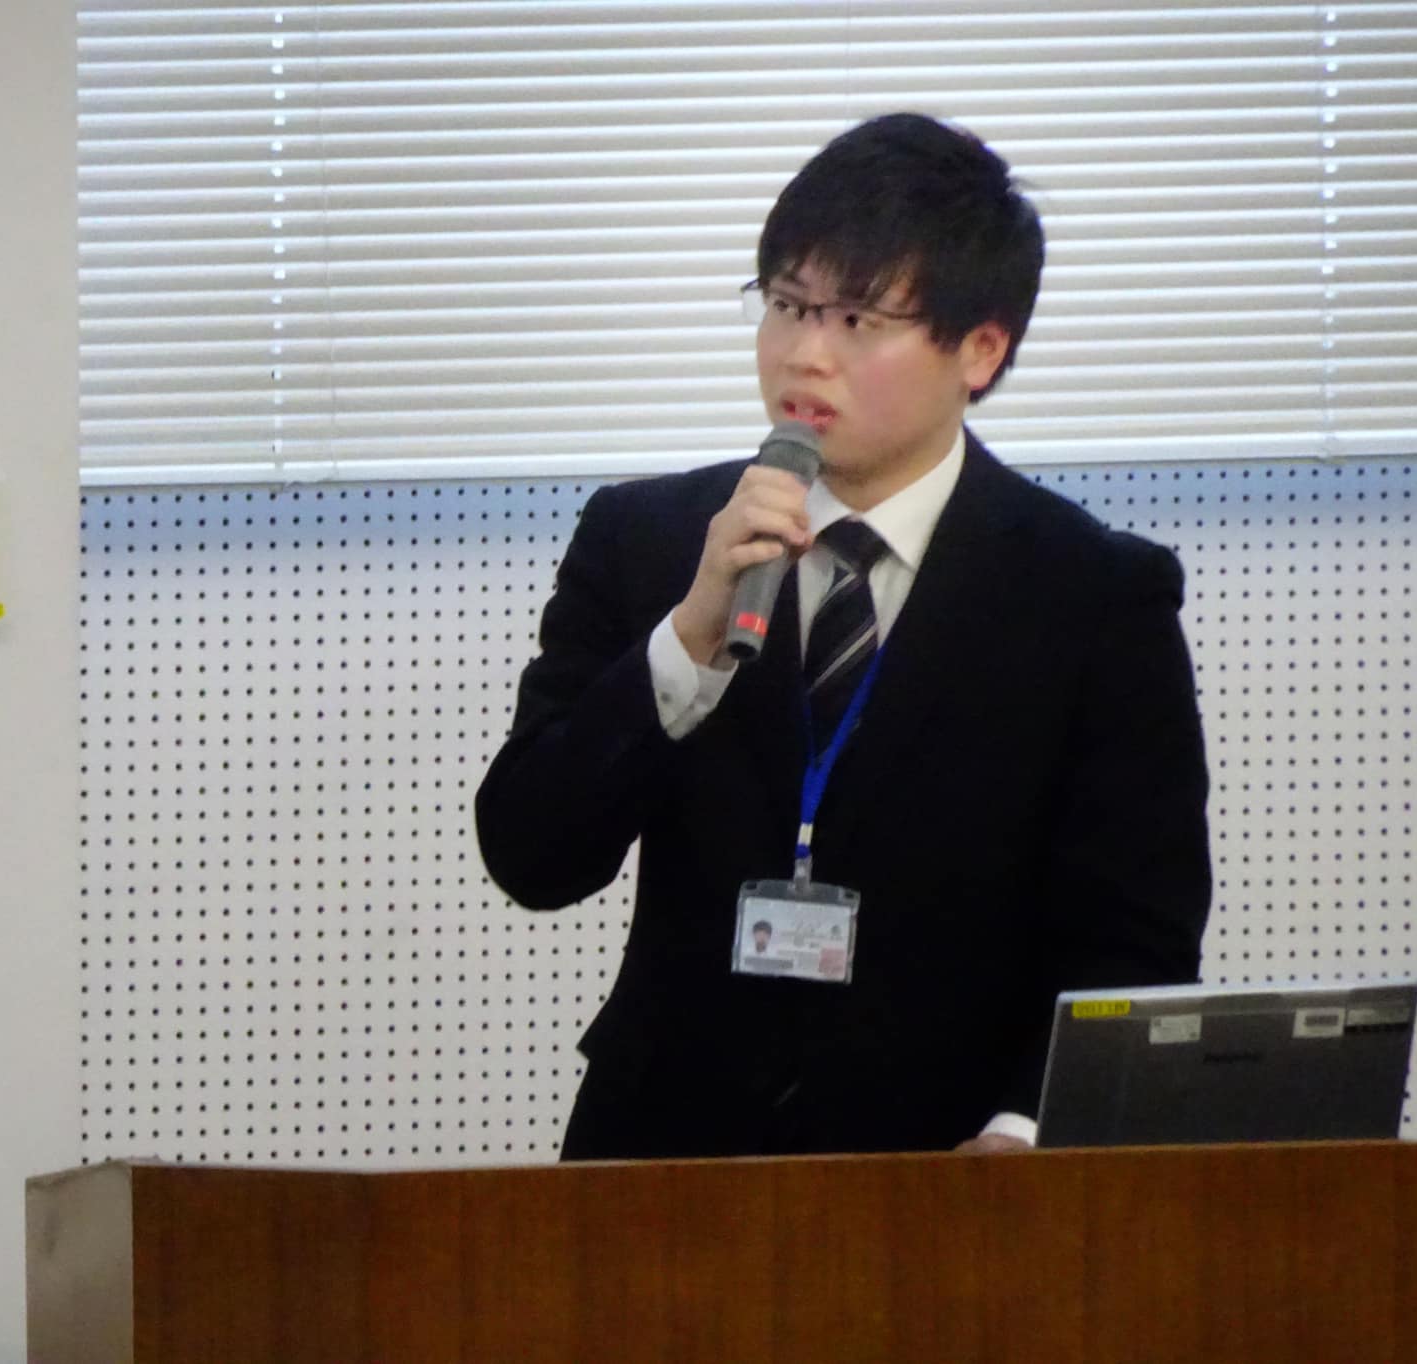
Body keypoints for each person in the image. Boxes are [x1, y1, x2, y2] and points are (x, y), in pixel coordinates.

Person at [475, 112, 1210, 1161]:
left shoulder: (1092, 594)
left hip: (952, 1176)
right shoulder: (648, 541)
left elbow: (1135, 934)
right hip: (664, 1162)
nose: (803, 354)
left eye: (857, 319)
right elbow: (531, 852)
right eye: (786, 305)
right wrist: (687, 636)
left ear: (981, 348)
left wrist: (1023, 1132)